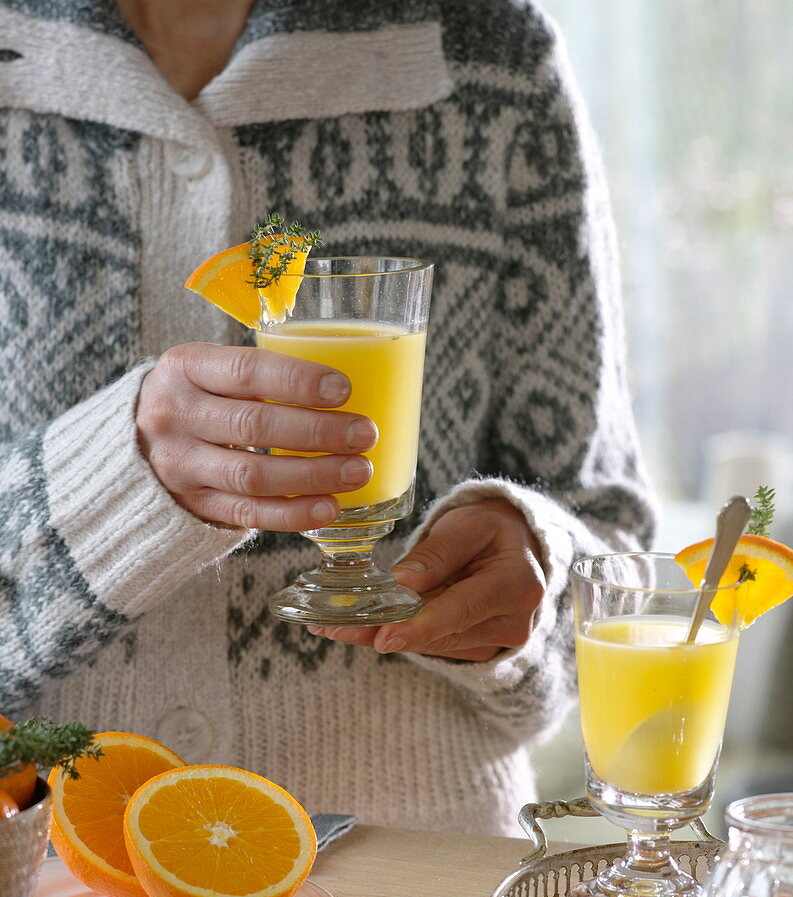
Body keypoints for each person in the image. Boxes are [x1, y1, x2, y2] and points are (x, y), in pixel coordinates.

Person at [0, 0, 655, 835]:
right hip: (49, 896)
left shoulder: (483, 50)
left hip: (418, 896)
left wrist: (537, 569)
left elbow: (618, 559)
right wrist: (108, 490)